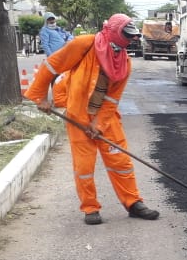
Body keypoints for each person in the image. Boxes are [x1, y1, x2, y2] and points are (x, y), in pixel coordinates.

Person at [24, 13, 159, 226]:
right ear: (114, 31)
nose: (129, 41)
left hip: (106, 117)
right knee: (84, 165)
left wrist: (100, 123)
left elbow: (112, 97)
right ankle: (90, 208)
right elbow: (52, 65)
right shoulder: (85, 44)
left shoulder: (124, 61)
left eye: (131, 37)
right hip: (78, 112)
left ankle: (133, 203)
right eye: (126, 36)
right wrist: (40, 96)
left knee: (120, 161)